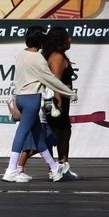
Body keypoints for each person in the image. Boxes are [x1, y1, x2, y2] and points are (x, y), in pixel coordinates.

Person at [4, 25, 74, 183]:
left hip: (21, 98)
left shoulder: (21, 54)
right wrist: (70, 93)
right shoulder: (38, 58)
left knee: (38, 137)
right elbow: (51, 79)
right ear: (41, 41)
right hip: (31, 99)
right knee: (22, 133)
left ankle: (55, 169)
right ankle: (11, 169)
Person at [42, 26, 80, 180]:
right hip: (58, 101)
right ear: (60, 40)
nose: (70, 40)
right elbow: (55, 82)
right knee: (57, 134)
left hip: (63, 100)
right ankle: (54, 168)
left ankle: (63, 166)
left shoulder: (60, 55)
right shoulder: (57, 56)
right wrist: (58, 104)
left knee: (64, 133)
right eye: (67, 37)